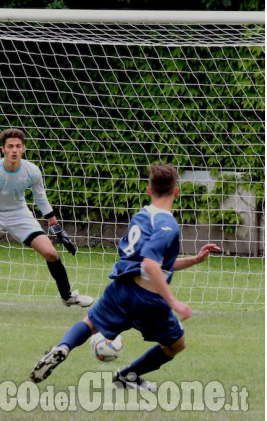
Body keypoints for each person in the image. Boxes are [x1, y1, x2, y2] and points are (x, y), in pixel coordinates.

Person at [29, 163, 221, 389]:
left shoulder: (141, 216)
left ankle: (63, 347)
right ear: (176, 191)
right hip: (149, 300)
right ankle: (128, 376)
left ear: (149, 191)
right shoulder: (167, 223)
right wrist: (174, 302)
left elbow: (155, 263)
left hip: (120, 289)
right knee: (176, 345)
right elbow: (150, 265)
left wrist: (194, 260)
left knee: (90, 323)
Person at [0, 128, 93, 311]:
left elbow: (41, 199)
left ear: (23, 148)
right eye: (10, 146)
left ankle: (67, 296)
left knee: (50, 252)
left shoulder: (32, 171)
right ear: (3, 149)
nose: (14, 150)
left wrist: (57, 228)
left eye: (18, 146)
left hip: (19, 213)